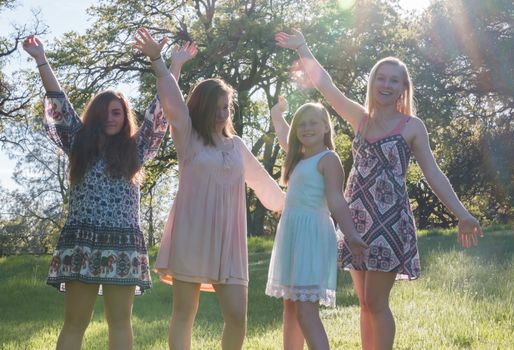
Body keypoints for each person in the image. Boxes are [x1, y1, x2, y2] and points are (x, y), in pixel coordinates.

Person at [275, 30, 483, 350]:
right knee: (363, 303)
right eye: (380, 78)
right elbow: (326, 86)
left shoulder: (412, 126)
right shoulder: (360, 119)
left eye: (394, 80)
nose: (386, 85)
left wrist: (463, 214)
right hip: (356, 217)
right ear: (372, 83)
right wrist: (303, 47)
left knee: (376, 301)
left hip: (390, 220)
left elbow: (433, 174)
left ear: (403, 87)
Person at [22, 28, 180, 350]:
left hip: (123, 244)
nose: (111, 118)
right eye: (105, 112)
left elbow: (161, 109)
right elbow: (60, 102)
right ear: (94, 116)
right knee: (75, 323)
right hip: (83, 242)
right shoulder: (80, 142)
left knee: (120, 322)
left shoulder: (137, 149)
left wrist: (166, 63)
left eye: (117, 112)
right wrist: (42, 60)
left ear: (125, 117)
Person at [154, 44, 286, 350]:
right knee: (184, 313)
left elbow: (264, 185)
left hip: (230, 241)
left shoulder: (237, 146)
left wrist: (293, 207)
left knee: (238, 316)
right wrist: (162, 63)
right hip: (192, 235)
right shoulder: (188, 137)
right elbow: (171, 101)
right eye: (216, 107)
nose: (222, 113)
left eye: (226, 107)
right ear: (202, 108)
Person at [265, 96, 368, 350]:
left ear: (325, 127)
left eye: (313, 123)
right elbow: (282, 132)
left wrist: (351, 234)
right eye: (302, 124)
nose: (306, 128)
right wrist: (277, 112)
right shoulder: (299, 157)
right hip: (292, 234)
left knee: (306, 313)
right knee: (290, 309)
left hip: (311, 235)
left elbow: (336, 200)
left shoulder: (328, 159)